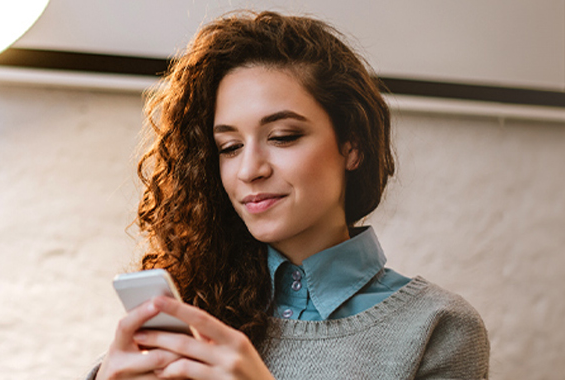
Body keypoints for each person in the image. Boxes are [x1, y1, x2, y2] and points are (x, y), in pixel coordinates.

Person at [89, 10, 490, 380]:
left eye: (282, 137)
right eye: (229, 147)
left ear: (352, 146)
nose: (249, 170)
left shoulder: (438, 327)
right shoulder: (194, 306)